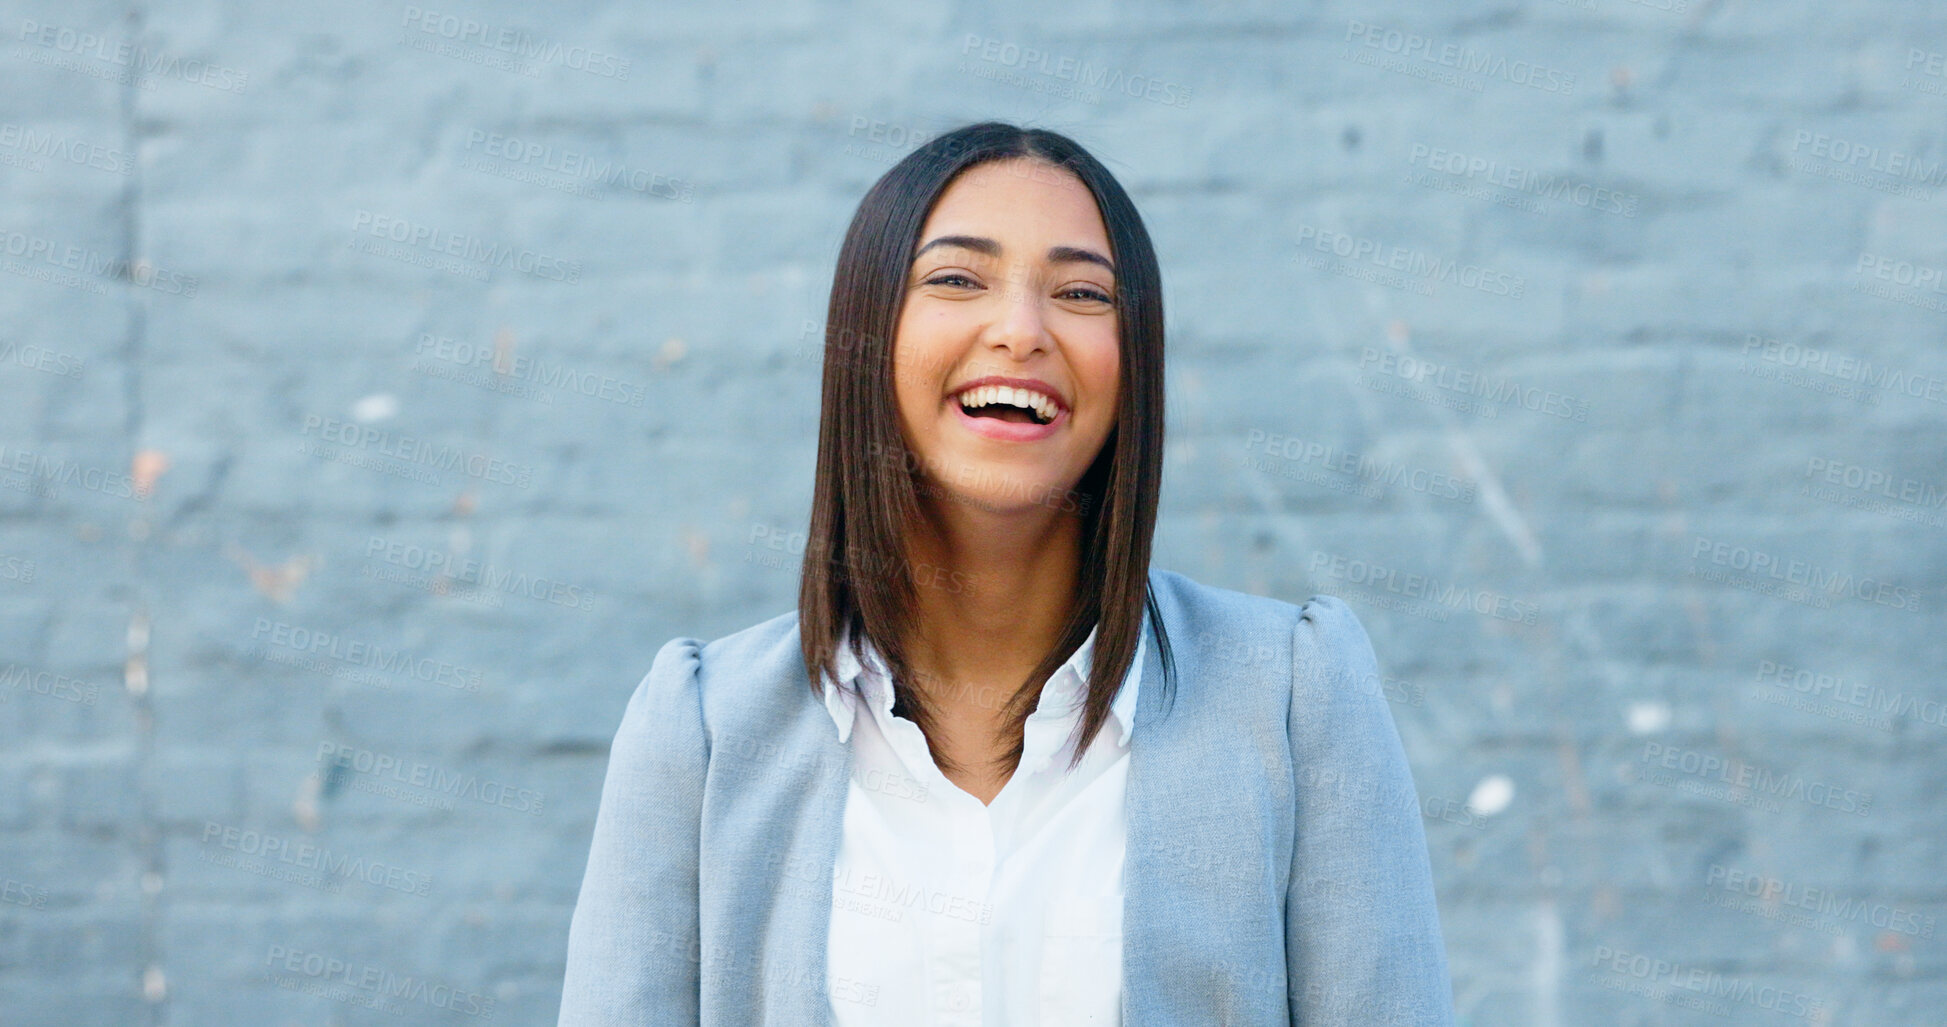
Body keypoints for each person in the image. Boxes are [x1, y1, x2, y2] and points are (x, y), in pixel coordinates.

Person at [557, 121, 1456, 1026]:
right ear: (868, 331)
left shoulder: (1291, 698)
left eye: (1080, 292)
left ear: (1133, 358)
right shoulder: (705, 730)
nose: (1022, 331)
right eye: (955, 278)